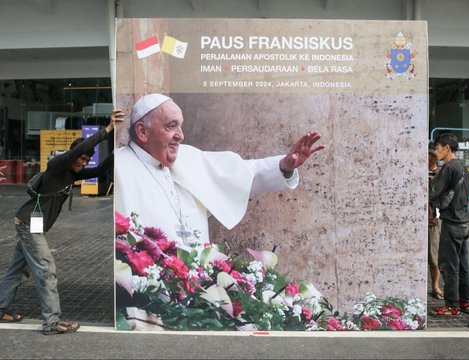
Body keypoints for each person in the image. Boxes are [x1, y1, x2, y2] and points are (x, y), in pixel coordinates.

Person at [115, 93, 324, 247]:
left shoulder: (187, 157)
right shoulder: (119, 168)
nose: (181, 135)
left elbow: (242, 173)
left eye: (181, 126)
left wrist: (284, 166)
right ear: (142, 131)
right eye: (171, 126)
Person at [0, 109, 124, 334]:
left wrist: (116, 154)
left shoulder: (72, 174)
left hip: (28, 224)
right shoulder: (58, 166)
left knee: (17, 271)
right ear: (73, 154)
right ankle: (51, 322)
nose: (83, 162)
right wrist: (107, 129)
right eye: (81, 157)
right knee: (46, 270)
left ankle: (0, 309)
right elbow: (79, 149)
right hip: (29, 225)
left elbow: (100, 170)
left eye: (86, 159)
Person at [429, 133, 469, 316]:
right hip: (465, 223)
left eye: (438, 147)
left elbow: (432, 193)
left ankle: (451, 306)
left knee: (449, 266)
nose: (436, 151)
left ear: (447, 148)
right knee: (463, 265)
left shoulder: (448, 167)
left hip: (452, 223)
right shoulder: (462, 167)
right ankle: (466, 302)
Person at [428, 141, 443, 300]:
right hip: (417, 219)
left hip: (433, 220)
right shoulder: (417, 169)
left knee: (434, 257)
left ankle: (435, 286)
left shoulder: (440, 172)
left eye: (433, 154)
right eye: (429, 154)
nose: (430, 157)